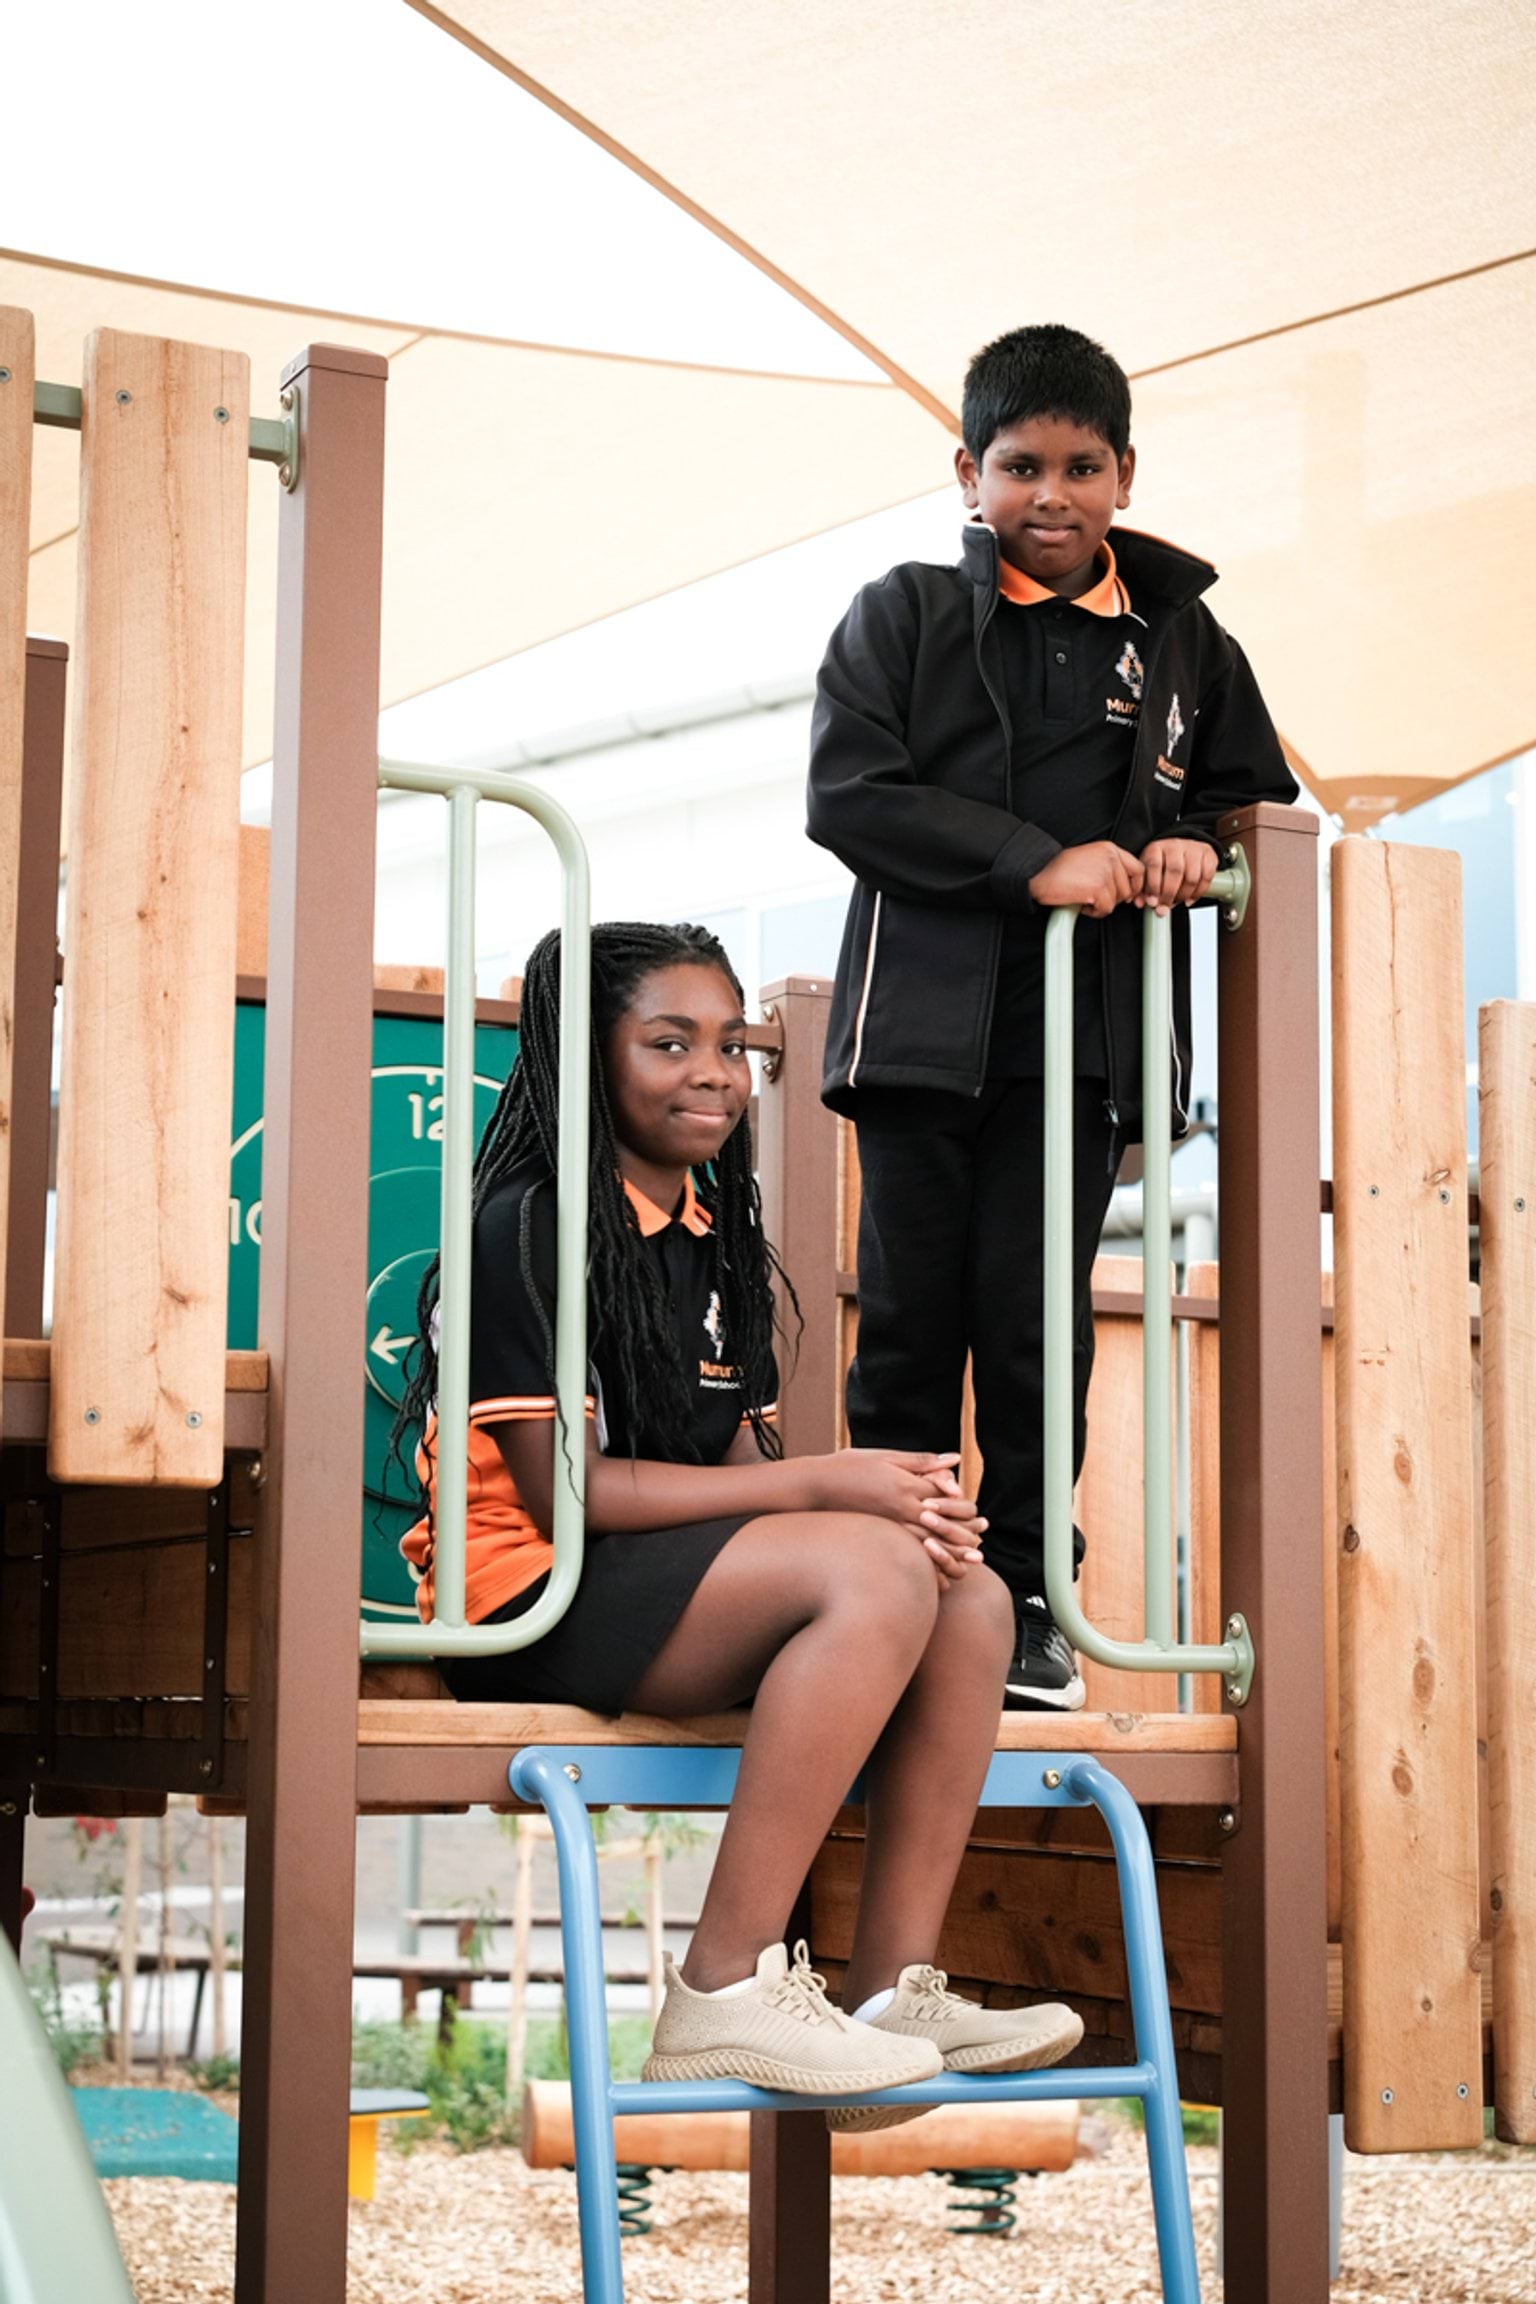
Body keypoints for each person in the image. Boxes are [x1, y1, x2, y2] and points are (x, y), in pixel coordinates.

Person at [395, 919, 1082, 2123]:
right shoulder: (524, 1227)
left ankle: (893, 1995)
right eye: (669, 1044)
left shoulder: (718, 1245)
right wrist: (829, 1485)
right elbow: (575, 1496)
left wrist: (874, 1504)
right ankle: (721, 1987)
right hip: (525, 1602)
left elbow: (730, 1473)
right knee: (875, 1569)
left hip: (655, 1587)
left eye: (731, 1046)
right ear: (586, 1055)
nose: (712, 1073)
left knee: (969, 1595)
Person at [807, 323, 1297, 1711]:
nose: (1052, 495)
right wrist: (1036, 860)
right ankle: (890, 1585)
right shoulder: (904, 612)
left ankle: (1029, 1604)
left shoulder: (1184, 639)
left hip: (1081, 1047)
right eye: (1021, 465)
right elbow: (848, 795)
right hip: (918, 1038)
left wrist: (1197, 841)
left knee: (1036, 1329)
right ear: (967, 472)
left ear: (1126, 474)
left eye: (1082, 467)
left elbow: (1249, 796)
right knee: (910, 1326)